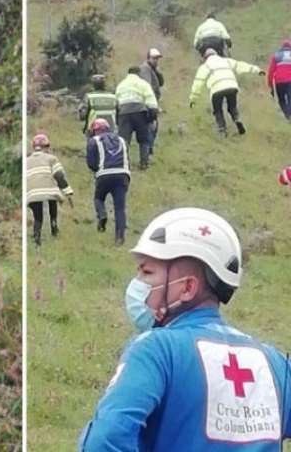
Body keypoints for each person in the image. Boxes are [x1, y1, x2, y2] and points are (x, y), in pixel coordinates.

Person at [79, 207, 291, 450]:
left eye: (147, 272)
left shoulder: (155, 350)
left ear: (187, 288)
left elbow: (104, 441)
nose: (137, 283)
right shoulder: (274, 363)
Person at [190, 48, 265, 137]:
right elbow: (241, 66)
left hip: (217, 89)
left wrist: (193, 99)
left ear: (205, 58)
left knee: (217, 110)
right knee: (232, 107)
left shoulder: (205, 66)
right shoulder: (226, 61)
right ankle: (237, 119)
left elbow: (198, 82)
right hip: (232, 86)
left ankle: (222, 130)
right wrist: (257, 70)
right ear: (216, 54)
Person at [86, 118, 130, 246]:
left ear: (95, 130)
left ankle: (102, 214)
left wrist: (97, 170)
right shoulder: (122, 140)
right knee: (120, 207)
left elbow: (91, 163)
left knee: (98, 198)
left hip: (104, 174)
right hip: (123, 174)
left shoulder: (94, 141)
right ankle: (119, 237)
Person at [26, 133, 75, 247]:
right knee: (52, 198)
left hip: (32, 192)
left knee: (38, 216)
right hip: (49, 190)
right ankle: (54, 226)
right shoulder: (51, 158)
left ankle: (37, 238)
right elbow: (59, 176)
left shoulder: (27, 161)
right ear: (46, 147)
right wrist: (68, 191)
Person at [115, 67, 160, 170]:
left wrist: (118, 117)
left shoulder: (121, 85)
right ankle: (144, 162)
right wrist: (153, 115)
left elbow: (116, 101)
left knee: (124, 139)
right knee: (143, 138)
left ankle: (123, 163)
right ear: (138, 73)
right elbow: (150, 98)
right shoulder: (143, 84)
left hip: (124, 112)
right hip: (139, 112)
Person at [267, 39, 291, 121]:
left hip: (279, 81)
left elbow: (270, 72)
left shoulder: (276, 56)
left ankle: (287, 116)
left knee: (281, 100)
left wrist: (270, 86)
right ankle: (289, 115)